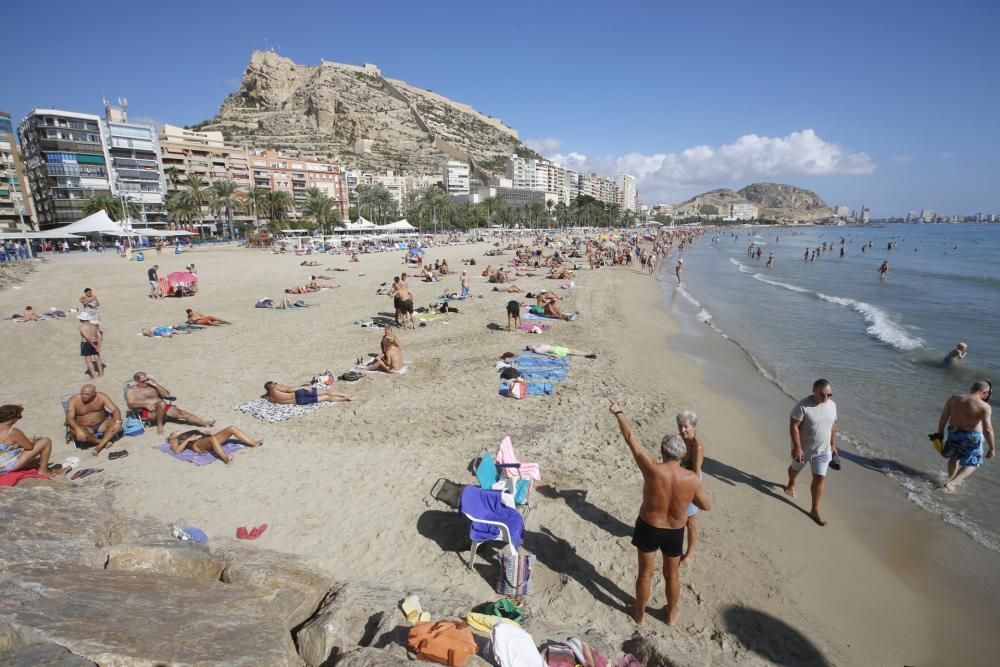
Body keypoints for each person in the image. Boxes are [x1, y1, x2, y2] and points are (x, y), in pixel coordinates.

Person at [610, 402, 710, 625]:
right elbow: (705, 505)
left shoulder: (652, 469)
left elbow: (630, 438)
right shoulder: (691, 478)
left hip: (648, 526)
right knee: (672, 575)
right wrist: (689, 493)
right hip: (674, 531)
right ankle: (671, 613)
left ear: (663, 452)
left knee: (645, 573)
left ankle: (639, 613)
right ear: (681, 453)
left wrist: (618, 412)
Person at [784, 379, 839, 526]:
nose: (826, 398)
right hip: (803, 448)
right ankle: (791, 482)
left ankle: (815, 510)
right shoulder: (802, 406)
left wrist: (833, 443)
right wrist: (797, 448)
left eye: (829, 395)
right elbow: (794, 426)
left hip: (824, 450)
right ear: (813, 390)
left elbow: (833, 424)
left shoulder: (832, 405)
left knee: (820, 477)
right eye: (823, 395)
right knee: (795, 469)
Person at [934, 380, 994, 493]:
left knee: (954, 456)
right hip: (972, 436)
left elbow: (943, 419)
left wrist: (940, 433)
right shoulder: (984, 406)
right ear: (985, 393)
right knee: (974, 462)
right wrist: (992, 448)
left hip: (954, 432)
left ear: (972, 388)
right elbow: (988, 429)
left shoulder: (953, 399)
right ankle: (952, 484)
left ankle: (950, 479)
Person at [126, 372, 215, 434]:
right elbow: (130, 404)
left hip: (163, 407)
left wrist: (155, 384)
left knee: (182, 413)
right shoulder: (131, 391)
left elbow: (167, 395)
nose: (146, 382)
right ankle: (160, 425)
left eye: (147, 379)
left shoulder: (151, 386)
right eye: (143, 381)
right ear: (136, 381)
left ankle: (204, 423)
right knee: (162, 403)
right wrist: (144, 405)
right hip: (148, 411)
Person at [676, 410, 703, 567]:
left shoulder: (696, 447)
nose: (682, 430)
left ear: (693, 427)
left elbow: (696, 473)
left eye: (685, 426)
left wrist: (692, 493)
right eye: (680, 426)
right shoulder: (680, 440)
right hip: (680, 479)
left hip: (692, 482)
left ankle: (690, 553)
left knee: (690, 521)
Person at [0, 404, 60, 476]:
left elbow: (5, 443)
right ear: (12, 418)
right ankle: (43, 470)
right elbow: (29, 447)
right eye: (19, 417)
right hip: (6, 466)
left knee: (36, 461)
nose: (18, 419)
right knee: (46, 441)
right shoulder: (12, 431)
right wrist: (33, 442)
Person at [65, 384, 123, 455]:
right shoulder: (73, 400)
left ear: (94, 394)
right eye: (82, 393)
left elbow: (114, 409)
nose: (83, 396)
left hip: (102, 424)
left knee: (115, 424)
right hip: (85, 427)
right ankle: (102, 442)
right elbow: (69, 418)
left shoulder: (101, 397)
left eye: (87, 394)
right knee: (74, 430)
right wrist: (78, 429)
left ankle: (98, 447)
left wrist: (118, 421)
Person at [167, 426, 263, 464]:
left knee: (231, 428)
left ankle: (253, 443)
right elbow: (176, 451)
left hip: (205, 439)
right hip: (198, 445)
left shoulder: (182, 434)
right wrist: (188, 439)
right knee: (212, 439)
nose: (175, 432)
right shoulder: (174, 439)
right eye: (172, 433)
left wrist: (204, 433)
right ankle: (225, 458)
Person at [263, 381, 352, 405]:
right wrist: (303, 387)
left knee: (326, 398)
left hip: (300, 401)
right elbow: (289, 389)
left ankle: (345, 399)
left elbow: (266, 396)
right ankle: (346, 395)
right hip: (299, 393)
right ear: (272, 385)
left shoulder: (271, 399)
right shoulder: (275, 387)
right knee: (326, 392)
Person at [78, 312, 103, 379]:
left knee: (88, 360)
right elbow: (99, 336)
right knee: (97, 357)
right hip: (95, 342)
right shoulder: (94, 325)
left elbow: (87, 337)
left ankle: (94, 376)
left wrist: (94, 346)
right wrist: (98, 346)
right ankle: (101, 373)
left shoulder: (82, 326)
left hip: (86, 343)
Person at [525, 343, 596, 359]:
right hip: (555, 351)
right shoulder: (537, 350)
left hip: (556, 348)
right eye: (529, 346)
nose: (530, 345)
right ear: (530, 349)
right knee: (572, 352)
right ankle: (588, 354)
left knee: (572, 351)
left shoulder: (537, 346)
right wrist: (553, 356)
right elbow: (545, 354)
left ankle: (587, 353)